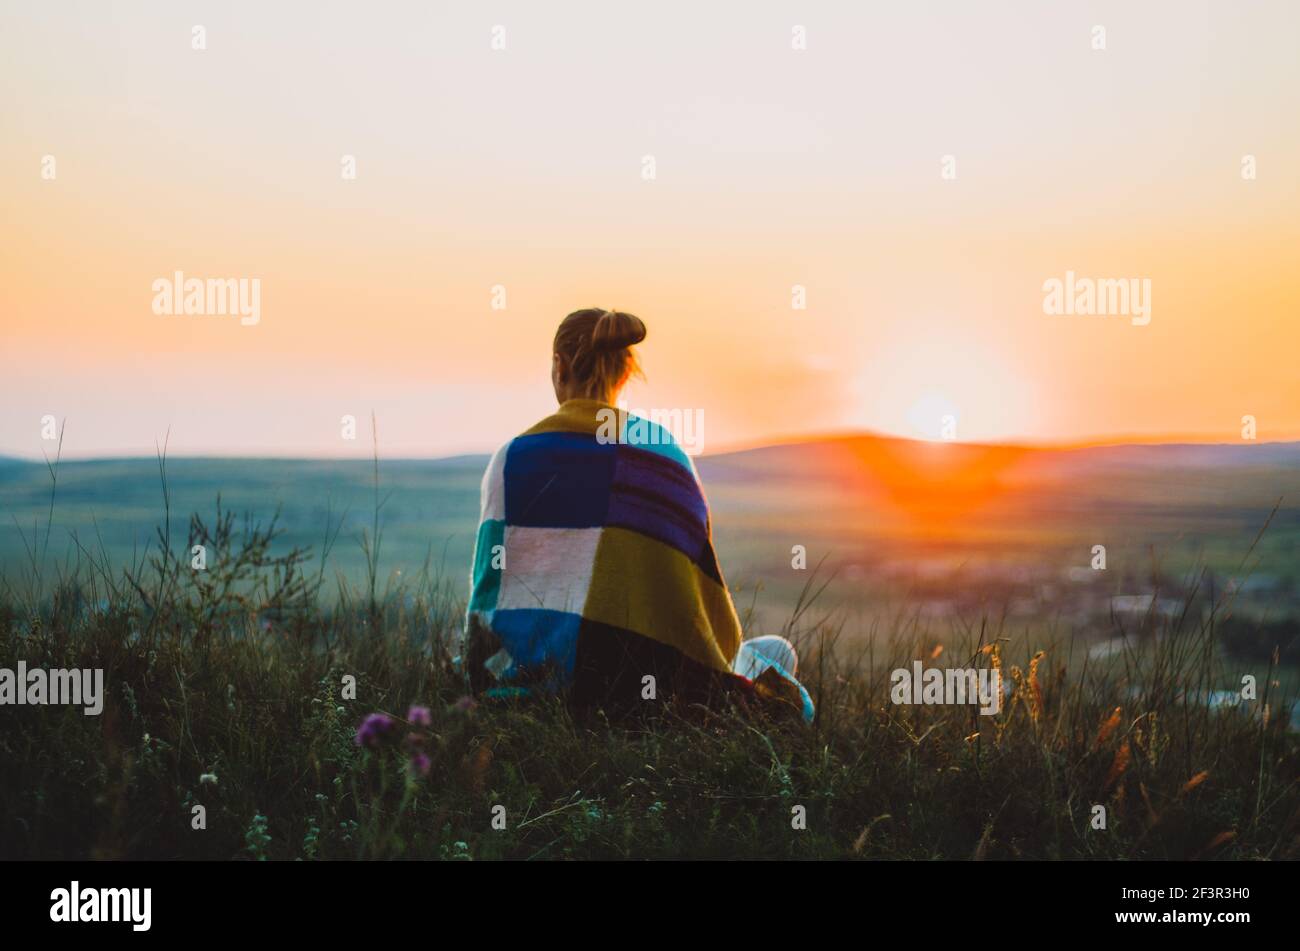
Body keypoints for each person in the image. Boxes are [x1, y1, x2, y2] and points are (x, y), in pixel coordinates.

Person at [463, 307, 814, 722]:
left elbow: (486, 604)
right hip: (647, 698)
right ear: (625, 372)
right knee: (776, 653)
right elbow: (700, 606)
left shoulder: (511, 459)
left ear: (559, 367)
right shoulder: (664, 456)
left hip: (532, 692)